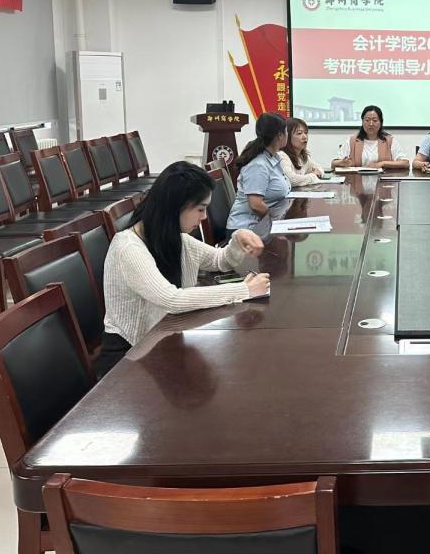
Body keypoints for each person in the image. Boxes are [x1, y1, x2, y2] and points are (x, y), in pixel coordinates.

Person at [100, 161, 270, 377]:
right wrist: (244, 290)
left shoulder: (174, 238)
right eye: (200, 209)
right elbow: (172, 299)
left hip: (161, 340)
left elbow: (220, 261)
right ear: (176, 206)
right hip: (128, 357)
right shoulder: (128, 248)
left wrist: (238, 239)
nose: (204, 217)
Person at [227, 112, 291, 230]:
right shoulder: (258, 165)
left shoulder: (273, 157)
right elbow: (256, 205)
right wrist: (274, 223)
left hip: (263, 223)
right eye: (287, 131)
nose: (288, 134)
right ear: (280, 135)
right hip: (246, 229)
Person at [331, 105, 409, 170]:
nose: (371, 124)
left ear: (381, 122)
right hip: (357, 182)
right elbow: (333, 163)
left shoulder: (389, 140)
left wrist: (383, 163)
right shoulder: (352, 140)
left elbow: (405, 163)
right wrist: (342, 162)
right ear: (362, 122)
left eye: (375, 120)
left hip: (383, 181)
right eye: (367, 120)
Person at [279, 117, 327, 186]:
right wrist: (313, 176)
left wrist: (317, 173)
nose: (305, 137)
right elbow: (291, 180)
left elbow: (319, 169)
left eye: (306, 133)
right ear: (287, 136)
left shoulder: (302, 156)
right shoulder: (282, 156)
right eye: (299, 133)